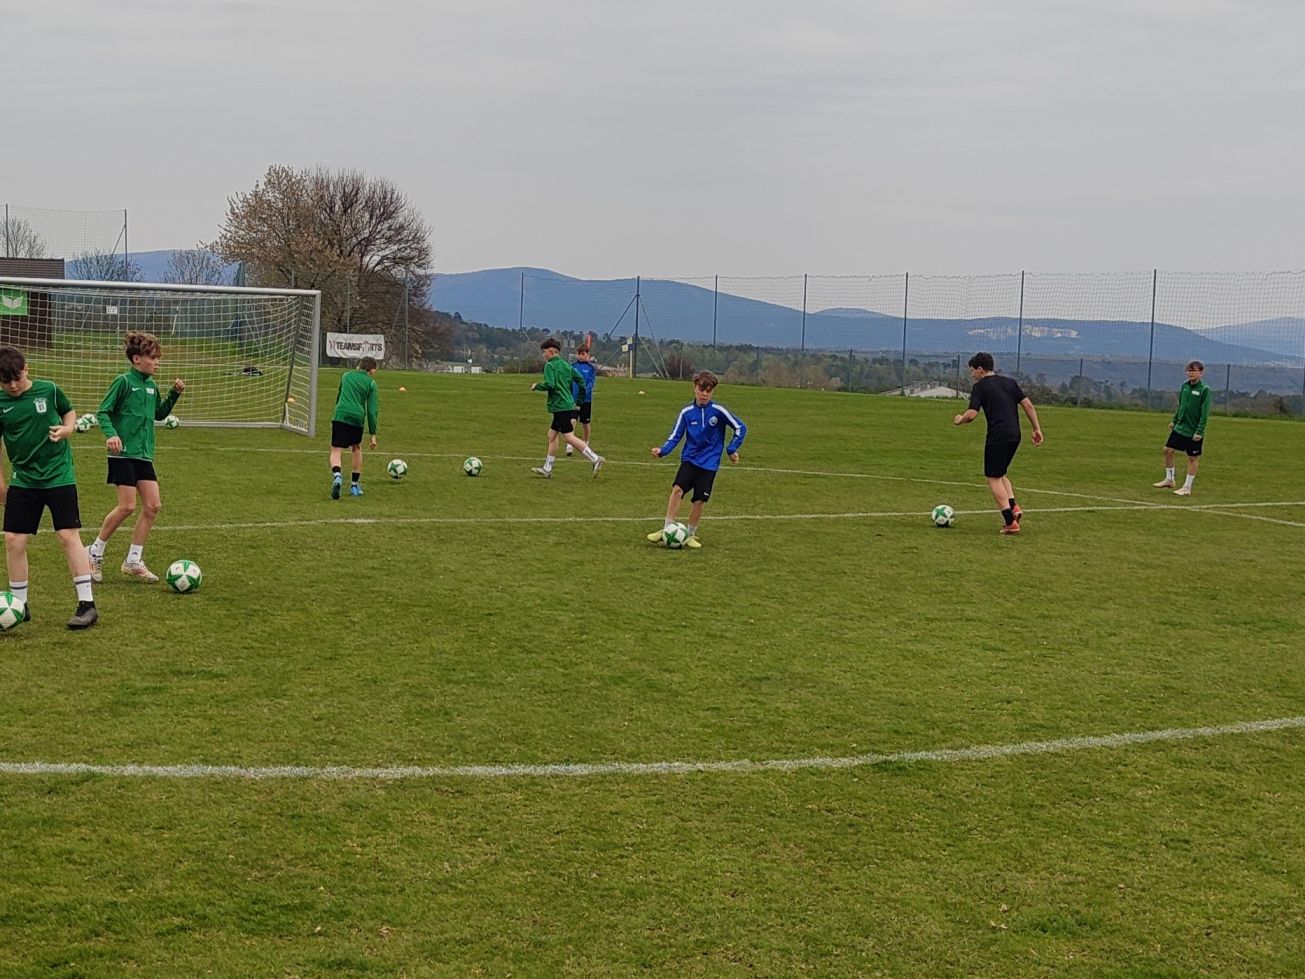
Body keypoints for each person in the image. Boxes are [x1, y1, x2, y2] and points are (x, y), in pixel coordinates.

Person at [0, 346, 98, 628]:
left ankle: (87, 605)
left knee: (68, 536)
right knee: (14, 539)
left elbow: (69, 412)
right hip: (23, 478)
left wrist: (68, 428)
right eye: (5, 382)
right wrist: (1, 482)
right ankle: (19, 605)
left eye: (17, 378)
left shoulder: (49, 390)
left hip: (58, 475)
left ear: (26, 369)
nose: (13, 386)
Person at [87, 331, 185, 583]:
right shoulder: (123, 382)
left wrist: (174, 394)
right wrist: (111, 435)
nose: (157, 362)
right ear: (137, 359)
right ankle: (94, 552)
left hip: (143, 454)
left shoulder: (151, 386)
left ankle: (133, 560)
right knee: (127, 506)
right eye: (153, 357)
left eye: (158, 358)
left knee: (153, 506)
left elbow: (159, 414)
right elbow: (103, 412)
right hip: (122, 454)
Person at [645, 370, 746, 549]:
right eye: (701, 389)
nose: (704, 394)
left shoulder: (718, 411)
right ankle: (667, 529)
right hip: (690, 459)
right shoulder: (687, 413)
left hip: (710, 464)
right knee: (677, 490)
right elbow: (675, 435)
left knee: (699, 499)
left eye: (708, 391)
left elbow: (740, 427)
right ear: (695, 388)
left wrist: (731, 449)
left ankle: (690, 534)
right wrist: (662, 451)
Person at [953, 352, 1043, 535]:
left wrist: (960, 419)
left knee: (992, 478)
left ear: (980, 369)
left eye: (972, 370)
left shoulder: (980, 387)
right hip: (1015, 434)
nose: (971, 374)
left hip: (998, 436)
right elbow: (1028, 405)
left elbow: (972, 414)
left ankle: (1010, 522)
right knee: (1001, 474)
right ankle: (1014, 507)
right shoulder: (1009, 382)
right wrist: (1037, 429)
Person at [529, 338, 604, 478]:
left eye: (545, 352)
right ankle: (547, 468)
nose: (544, 355)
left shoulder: (550, 365)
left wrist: (537, 386)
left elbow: (550, 384)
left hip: (560, 406)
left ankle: (595, 458)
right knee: (552, 435)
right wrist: (579, 400)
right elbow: (581, 381)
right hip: (567, 405)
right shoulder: (567, 365)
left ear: (551, 352)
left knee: (569, 437)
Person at [1153, 361, 1211, 497]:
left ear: (1201, 372)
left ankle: (1187, 487)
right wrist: (1174, 420)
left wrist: (1199, 431)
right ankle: (1169, 479)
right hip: (1181, 427)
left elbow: (1204, 412)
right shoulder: (1185, 386)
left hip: (1193, 430)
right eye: (1189, 371)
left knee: (1192, 457)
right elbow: (1181, 406)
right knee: (1168, 450)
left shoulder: (1204, 389)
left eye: (1193, 371)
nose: (1190, 373)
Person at [329, 356, 379, 499]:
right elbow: (372, 410)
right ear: (372, 370)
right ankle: (354, 486)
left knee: (336, 449)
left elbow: (339, 396)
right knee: (356, 448)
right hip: (357, 417)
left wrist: (338, 411)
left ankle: (337, 475)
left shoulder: (346, 375)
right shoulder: (371, 384)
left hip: (341, 414)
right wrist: (373, 434)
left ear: (359, 366)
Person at [564, 344, 597, 457]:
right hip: (574, 399)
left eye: (585, 354)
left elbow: (591, 383)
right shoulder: (572, 367)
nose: (583, 356)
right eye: (580, 354)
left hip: (586, 400)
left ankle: (586, 445)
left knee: (585, 423)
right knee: (572, 420)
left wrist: (584, 392)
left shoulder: (591, 368)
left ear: (588, 354)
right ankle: (569, 444)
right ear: (577, 355)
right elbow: (569, 381)